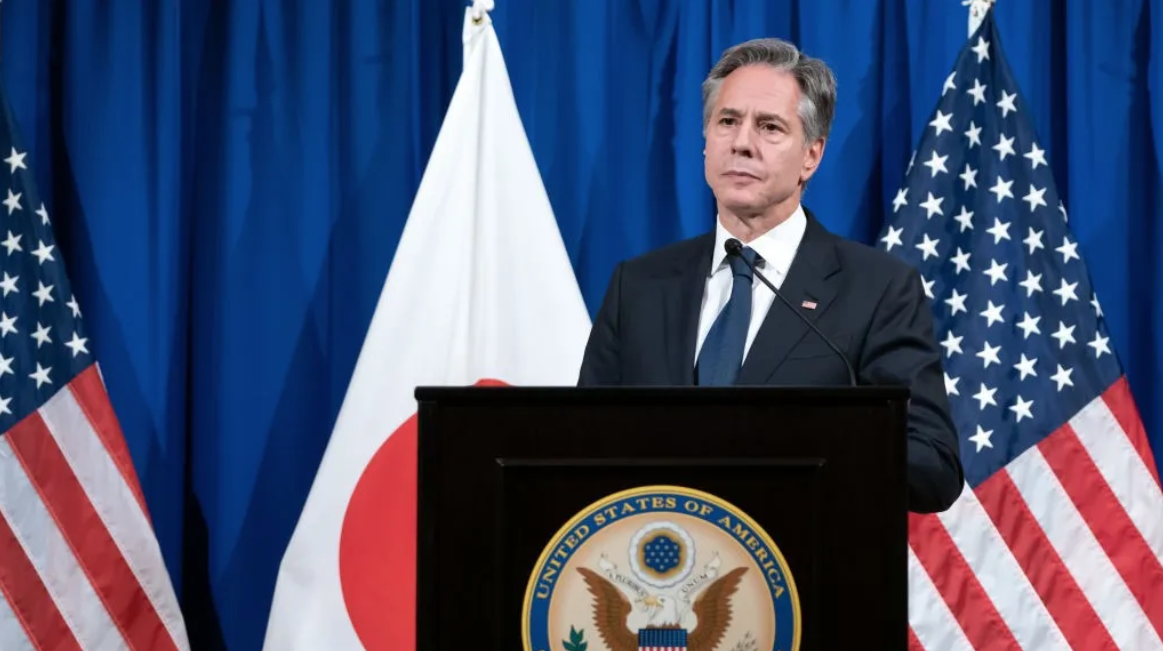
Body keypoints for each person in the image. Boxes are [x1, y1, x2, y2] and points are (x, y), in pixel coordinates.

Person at [576, 37, 964, 514]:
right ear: (705, 143)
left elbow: (934, 468)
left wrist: (797, 436)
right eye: (727, 122)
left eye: (769, 127)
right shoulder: (638, 287)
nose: (742, 143)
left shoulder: (878, 289)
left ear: (811, 156)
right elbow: (580, 445)